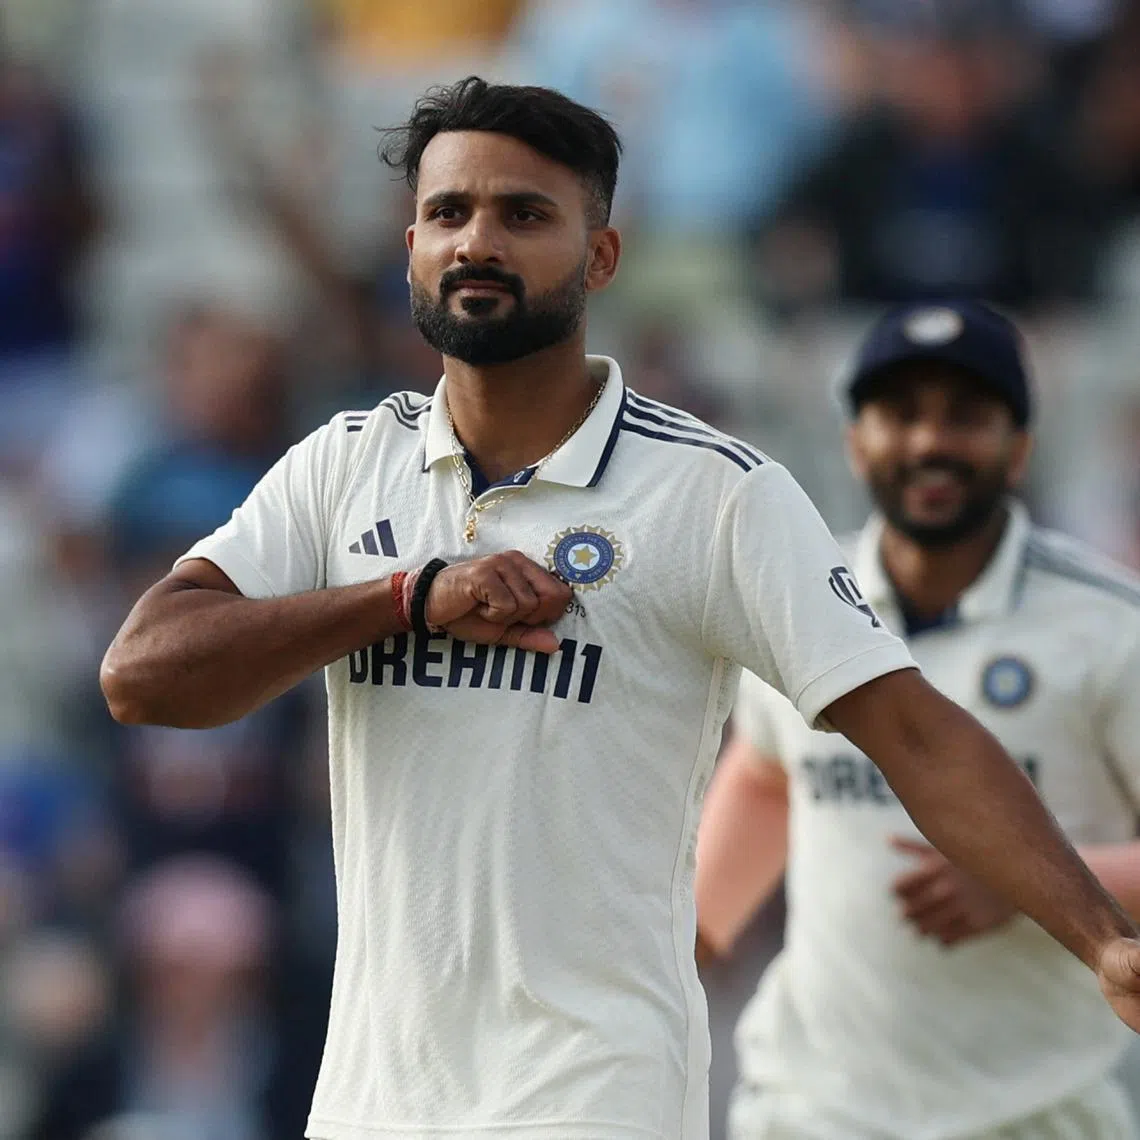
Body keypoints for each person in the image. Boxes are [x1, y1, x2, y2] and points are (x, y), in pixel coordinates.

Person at [99, 78, 1140, 1140]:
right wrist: (402, 598)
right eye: (450, 214)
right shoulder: (341, 466)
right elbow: (142, 673)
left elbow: (915, 733)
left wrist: (1101, 938)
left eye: (526, 214)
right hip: (375, 1102)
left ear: (601, 256)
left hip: (593, 1096)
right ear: (411, 244)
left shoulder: (713, 494)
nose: (479, 242)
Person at [695, 299, 1140, 1139]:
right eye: (900, 416)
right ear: (854, 443)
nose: (930, 442)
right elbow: (766, 775)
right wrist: (696, 948)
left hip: (1036, 1116)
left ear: (1021, 450)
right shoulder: (801, 599)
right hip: (806, 1110)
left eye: (966, 417)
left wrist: (1034, 877)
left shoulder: (1113, 628)